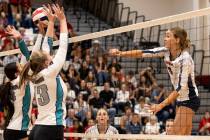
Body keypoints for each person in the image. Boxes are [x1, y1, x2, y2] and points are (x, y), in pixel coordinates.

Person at [109, 27, 200, 135]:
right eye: (164, 36)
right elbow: (143, 53)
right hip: (181, 99)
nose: (164, 39)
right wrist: (121, 53)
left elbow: (180, 88)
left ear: (177, 40)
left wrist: (160, 105)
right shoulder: (165, 51)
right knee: (184, 136)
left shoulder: (185, 59)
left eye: (168, 36)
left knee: (175, 135)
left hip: (189, 98)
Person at [19, 4, 68, 140]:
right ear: (46, 63)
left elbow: (46, 46)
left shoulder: (36, 73)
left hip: (39, 128)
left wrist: (51, 22)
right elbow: (63, 46)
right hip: (51, 127)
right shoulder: (50, 72)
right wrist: (62, 20)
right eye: (49, 56)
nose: (51, 55)